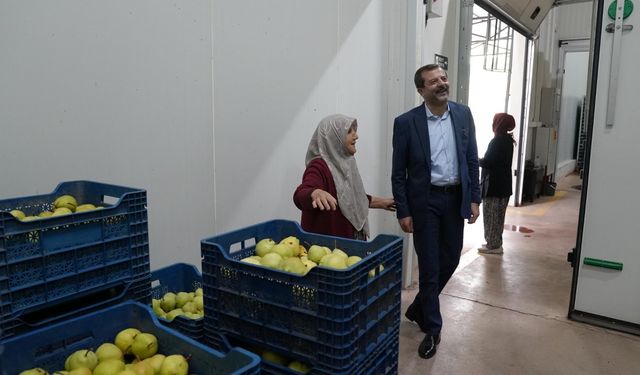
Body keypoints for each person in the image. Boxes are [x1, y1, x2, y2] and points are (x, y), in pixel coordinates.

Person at [391, 64, 481, 359]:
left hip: (455, 198)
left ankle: (418, 307)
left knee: (451, 258)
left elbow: (471, 160)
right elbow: (398, 173)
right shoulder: (406, 123)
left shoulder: (463, 114)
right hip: (425, 202)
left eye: (444, 78)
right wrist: (403, 209)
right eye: (434, 82)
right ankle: (433, 327)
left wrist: (474, 198)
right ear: (421, 90)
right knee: (429, 266)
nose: (442, 84)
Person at [293, 114, 395, 240]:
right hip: (328, 251)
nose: (356, 136)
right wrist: (315, 193)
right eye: (349, 132)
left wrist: (382, 203)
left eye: (355, 131)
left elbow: (349, 198)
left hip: (349, 246)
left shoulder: (345, 162)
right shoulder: (318, 166)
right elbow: (301, 194)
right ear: (333, 137)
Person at [478, 113, 516, 255]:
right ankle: (495, 242)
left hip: (494, 185)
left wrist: (475, 160)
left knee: (491, 216)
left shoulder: (497, 141)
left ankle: (493, 245)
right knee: (499, 216)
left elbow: (489, 162)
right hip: (504, 185)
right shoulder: (508, 140)